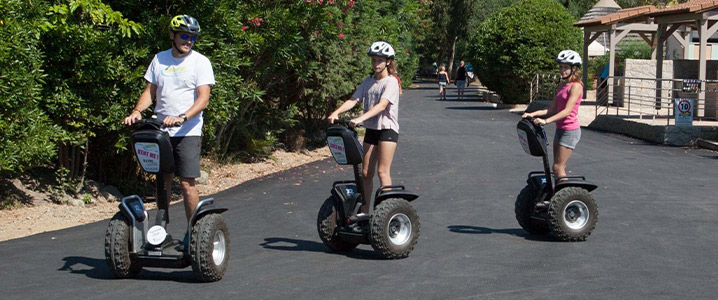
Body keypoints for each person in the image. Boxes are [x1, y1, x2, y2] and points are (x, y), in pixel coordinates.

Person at [122, 15, 215, 225]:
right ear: (172, 35)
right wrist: (137, 111)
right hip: (161, 131)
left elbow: (203, 99)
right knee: (162, 182)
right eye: (184, 36)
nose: (189, 41)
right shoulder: (159, 59)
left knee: (186, 183)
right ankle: (160, 230)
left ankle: (194, 231)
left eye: (193, 37)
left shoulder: (200, 62)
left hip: (187, 131)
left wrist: (182, 117)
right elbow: (149, 92)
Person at [328, 41, 401, 221]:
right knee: (366, 173)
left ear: (388, 62)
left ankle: (387, 211)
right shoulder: (368, 81)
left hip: (387, 130)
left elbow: (382, 105)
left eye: (380, 60)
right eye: (374, 60)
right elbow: (354, 99)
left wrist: (360, 119)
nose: (376, 64)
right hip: (371, 130)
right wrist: (336, 112)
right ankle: (365, 210)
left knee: (382, 172)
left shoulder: (391, 82)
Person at [522, 50, 583, 182]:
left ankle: (566, 199)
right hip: (560, 129)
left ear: (574, 68)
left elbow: (567, 111)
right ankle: (557, 197)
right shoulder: (563, 85)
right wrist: (531, 114)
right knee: (557, 168)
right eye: (561, 67)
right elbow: (551, 109)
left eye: (566, 67)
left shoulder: (576, 86)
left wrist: (546, 121)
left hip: (570, 131)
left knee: (558, 167)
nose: (562, 70)